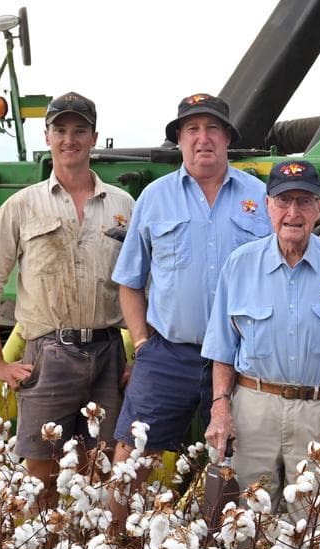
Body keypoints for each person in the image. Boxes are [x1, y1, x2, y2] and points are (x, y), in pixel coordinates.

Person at [0, 91, 135, 510]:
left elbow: (144, 285)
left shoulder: (123, 206)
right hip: (48, 354)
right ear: (47, 136)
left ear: (95, 138)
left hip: (108, 353)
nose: (69, 139)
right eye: (61, 130)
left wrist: (141, 356)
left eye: (80, 131)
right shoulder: (22, 206)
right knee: (41, 475)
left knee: (103, 471)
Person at [202, 160, 320, 512]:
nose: (293, 212)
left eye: (304, 201)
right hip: (253, 409)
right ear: (268, 205)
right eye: (283, 201)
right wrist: (220, 408)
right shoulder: (239, 265)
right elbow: (222, 350)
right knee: (244, 526)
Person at [111, 93, 273, 466]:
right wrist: (142, 343)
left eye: (213, 128)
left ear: (228, 138)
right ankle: (114, 528)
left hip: (244, 357)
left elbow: (291, 249)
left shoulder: (260, 197)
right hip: (169, 354)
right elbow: (130, 280)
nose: (204, 138)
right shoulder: (155, 197)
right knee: (130, 458)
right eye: (192, 129)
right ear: (180, 140)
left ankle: (221, 527)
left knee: (241, 465)